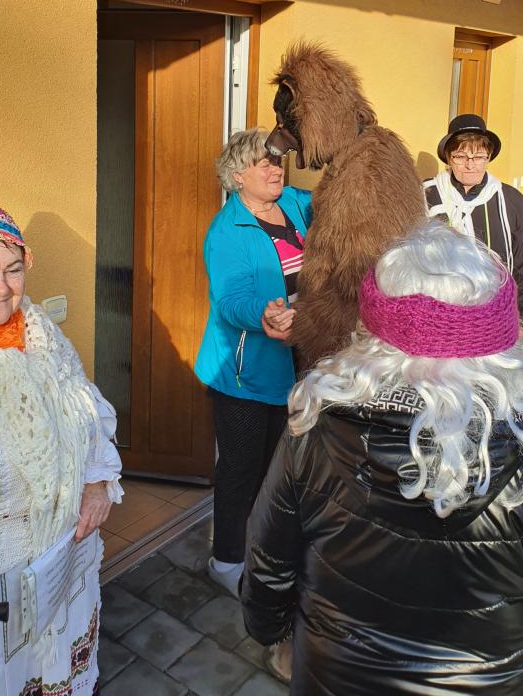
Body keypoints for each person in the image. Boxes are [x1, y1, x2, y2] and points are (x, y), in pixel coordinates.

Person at [241, 220, 523, 695]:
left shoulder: (315, 424)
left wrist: (271, 632)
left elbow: (268, 560)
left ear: (372, 330)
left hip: (334, 675)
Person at [0, 180, 123, 696]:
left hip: (63, 573)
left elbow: (86, 410)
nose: (1, 287)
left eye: (13, 269)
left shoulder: (41, 332)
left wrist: (96, 482)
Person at [194, 128, 311, 597]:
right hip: (244, 373)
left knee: (278, 470)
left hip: (294, 362)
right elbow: (230, 300)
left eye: (276, 161)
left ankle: (266, 550)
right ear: (237, 175)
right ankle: (226, 562)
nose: (274, 169)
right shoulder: (228, 231)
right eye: (263, 163)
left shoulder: (296, 205)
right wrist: (263, 315)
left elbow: (341, 199)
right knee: (241, 471)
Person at [424, 113, 523, 312]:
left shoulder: (510, 200)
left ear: (488, 157)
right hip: (439, 311)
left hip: (496, 312)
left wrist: (518, 315)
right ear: (449, 158)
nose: (470, 165)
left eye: (478, 157)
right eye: (460, 156)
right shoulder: (426, 194)